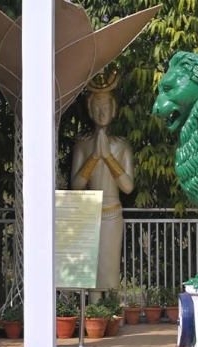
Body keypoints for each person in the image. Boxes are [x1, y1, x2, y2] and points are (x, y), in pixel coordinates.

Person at [70, 71, 134, 302]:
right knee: (92, 268)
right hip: (88, 211)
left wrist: (108, 157)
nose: (102, 111)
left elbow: (127, 187)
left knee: (109, 264)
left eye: (106, 105)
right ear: (89, 109)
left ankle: (113, 311)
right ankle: (94, 310)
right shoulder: (83, 144)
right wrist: (95, 157)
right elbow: (76, 186)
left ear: (114, 108)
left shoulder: (122, 145)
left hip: (112, 211)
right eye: (96, 106)